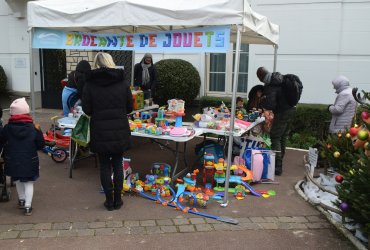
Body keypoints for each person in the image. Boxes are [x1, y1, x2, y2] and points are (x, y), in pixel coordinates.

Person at [82, 52, 133, 211]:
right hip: (119, 129)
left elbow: (87, 109)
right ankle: (118, 200)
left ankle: (109, 201)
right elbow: (129, 108)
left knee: (104, 165)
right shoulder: (123, 82)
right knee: (118, 164)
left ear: (96, 64)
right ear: (111, 62)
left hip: (100, 129)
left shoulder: (89, 84)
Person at [0, 98, 45, 215]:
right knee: (29, 183)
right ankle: (28, 206)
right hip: (30, 159)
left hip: (13, 159)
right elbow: (41, 145)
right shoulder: (34, 128)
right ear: (27, 113)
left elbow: (1, 141)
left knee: (18, 179)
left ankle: (21, 200)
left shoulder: (7, 128)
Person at [257, 67, 296, 176]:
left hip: (282, 111)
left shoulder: (271, 85)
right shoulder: (279, 78)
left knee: (275, 136)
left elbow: (271, 104)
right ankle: (280, 159)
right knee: (283, 136)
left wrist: (263, 101)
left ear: (262, 77)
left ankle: (277, 165)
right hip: (292, 109)